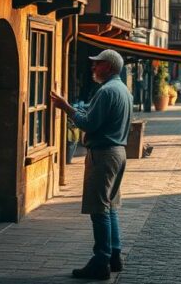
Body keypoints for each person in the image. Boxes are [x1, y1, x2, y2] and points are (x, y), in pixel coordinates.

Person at [50, 49, 132, 278]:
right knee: (111, 205)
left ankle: (101, 261)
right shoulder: (123, 89)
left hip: (104, 154)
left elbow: (89, 124)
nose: (93, 67)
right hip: (118, 152)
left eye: (97, 63)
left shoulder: (106, 91)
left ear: (108, 66)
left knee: (99, 210)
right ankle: (114, 256)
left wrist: (66, 107)